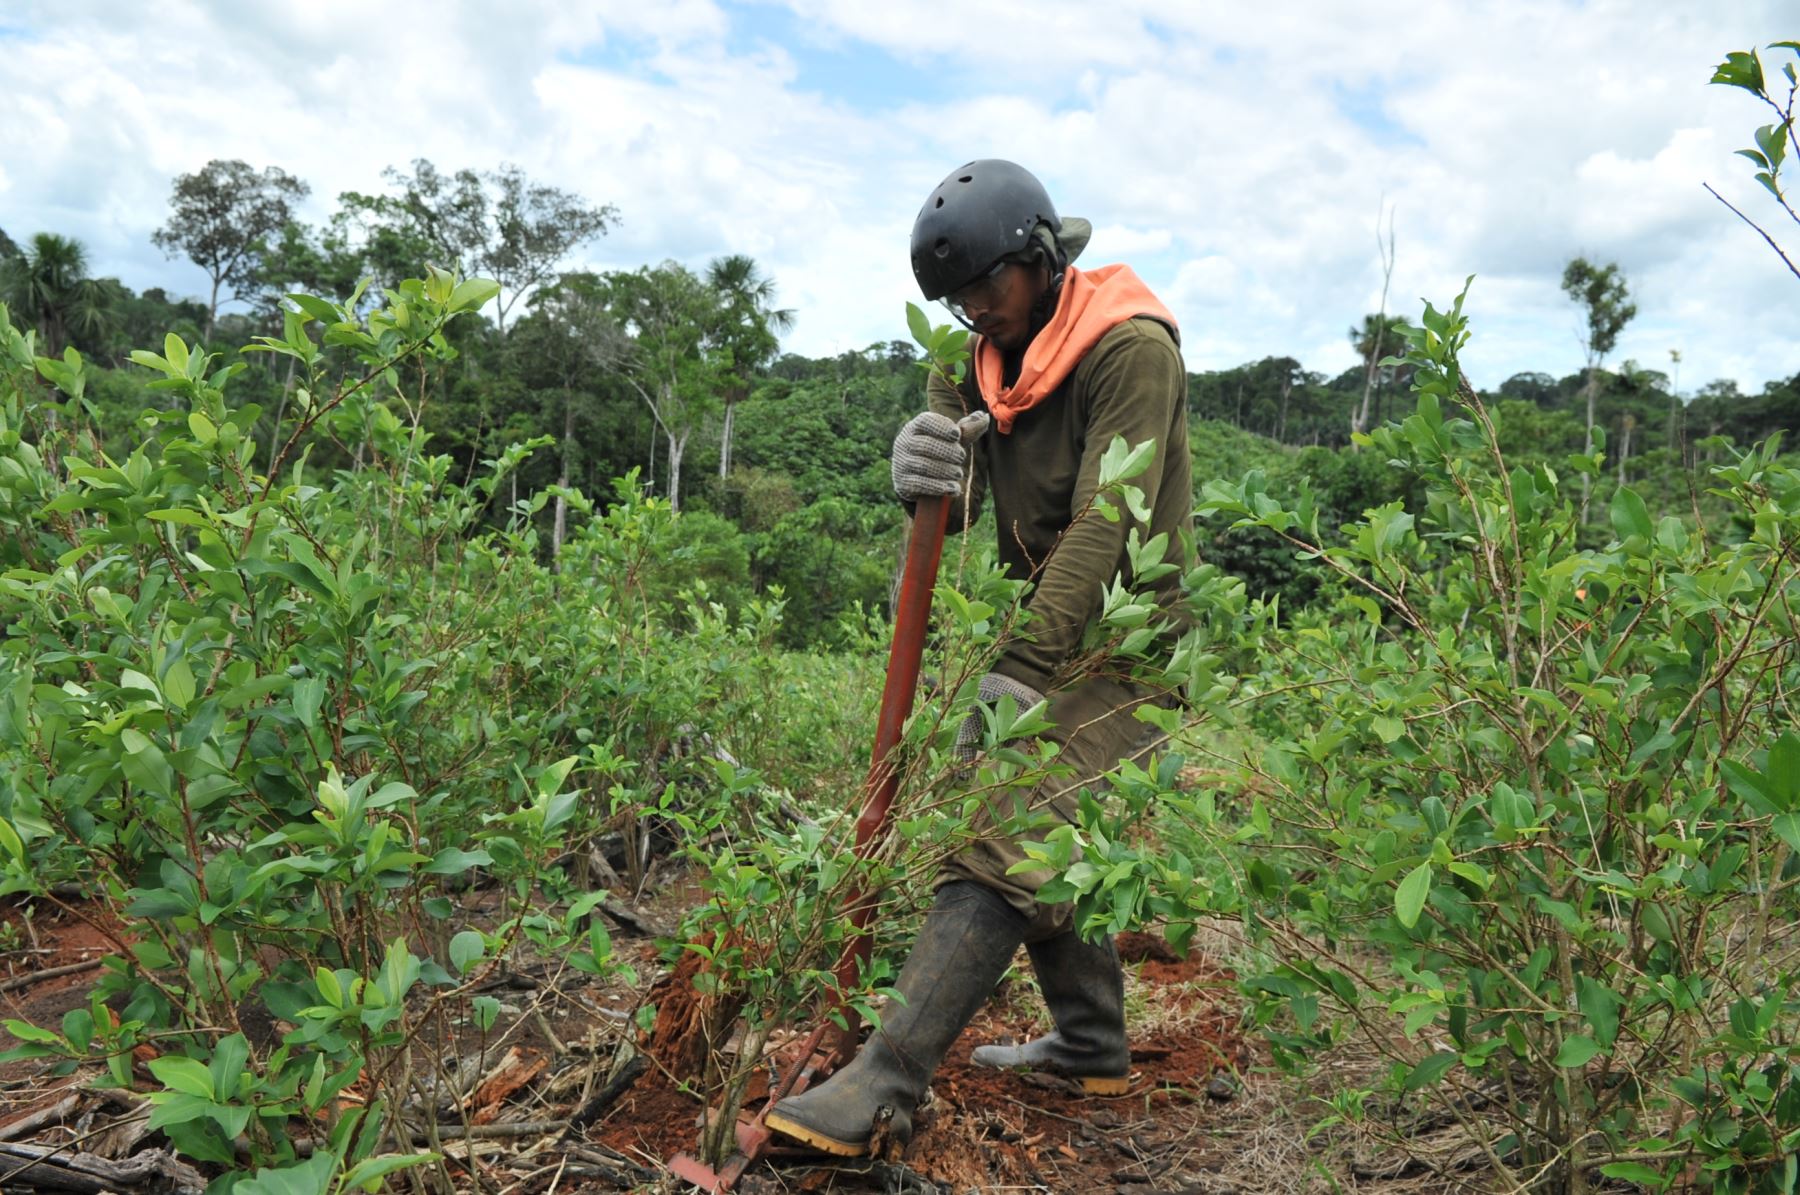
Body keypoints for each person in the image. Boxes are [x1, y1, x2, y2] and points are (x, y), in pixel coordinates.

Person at [765, 159, 1194, 1157]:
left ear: (1042, 256)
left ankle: (884, 1077)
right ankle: (1090, 1039)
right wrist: (920, 469)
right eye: (956, 298)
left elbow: (1108, 519)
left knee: (1006, 819)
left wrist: (1023, 667)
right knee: (1030, 814)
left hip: (1128, 639)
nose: (974, 311)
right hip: (1034, 632)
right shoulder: (975, 361)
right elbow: (952, 515)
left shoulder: (1130, 349)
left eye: (988, 284)